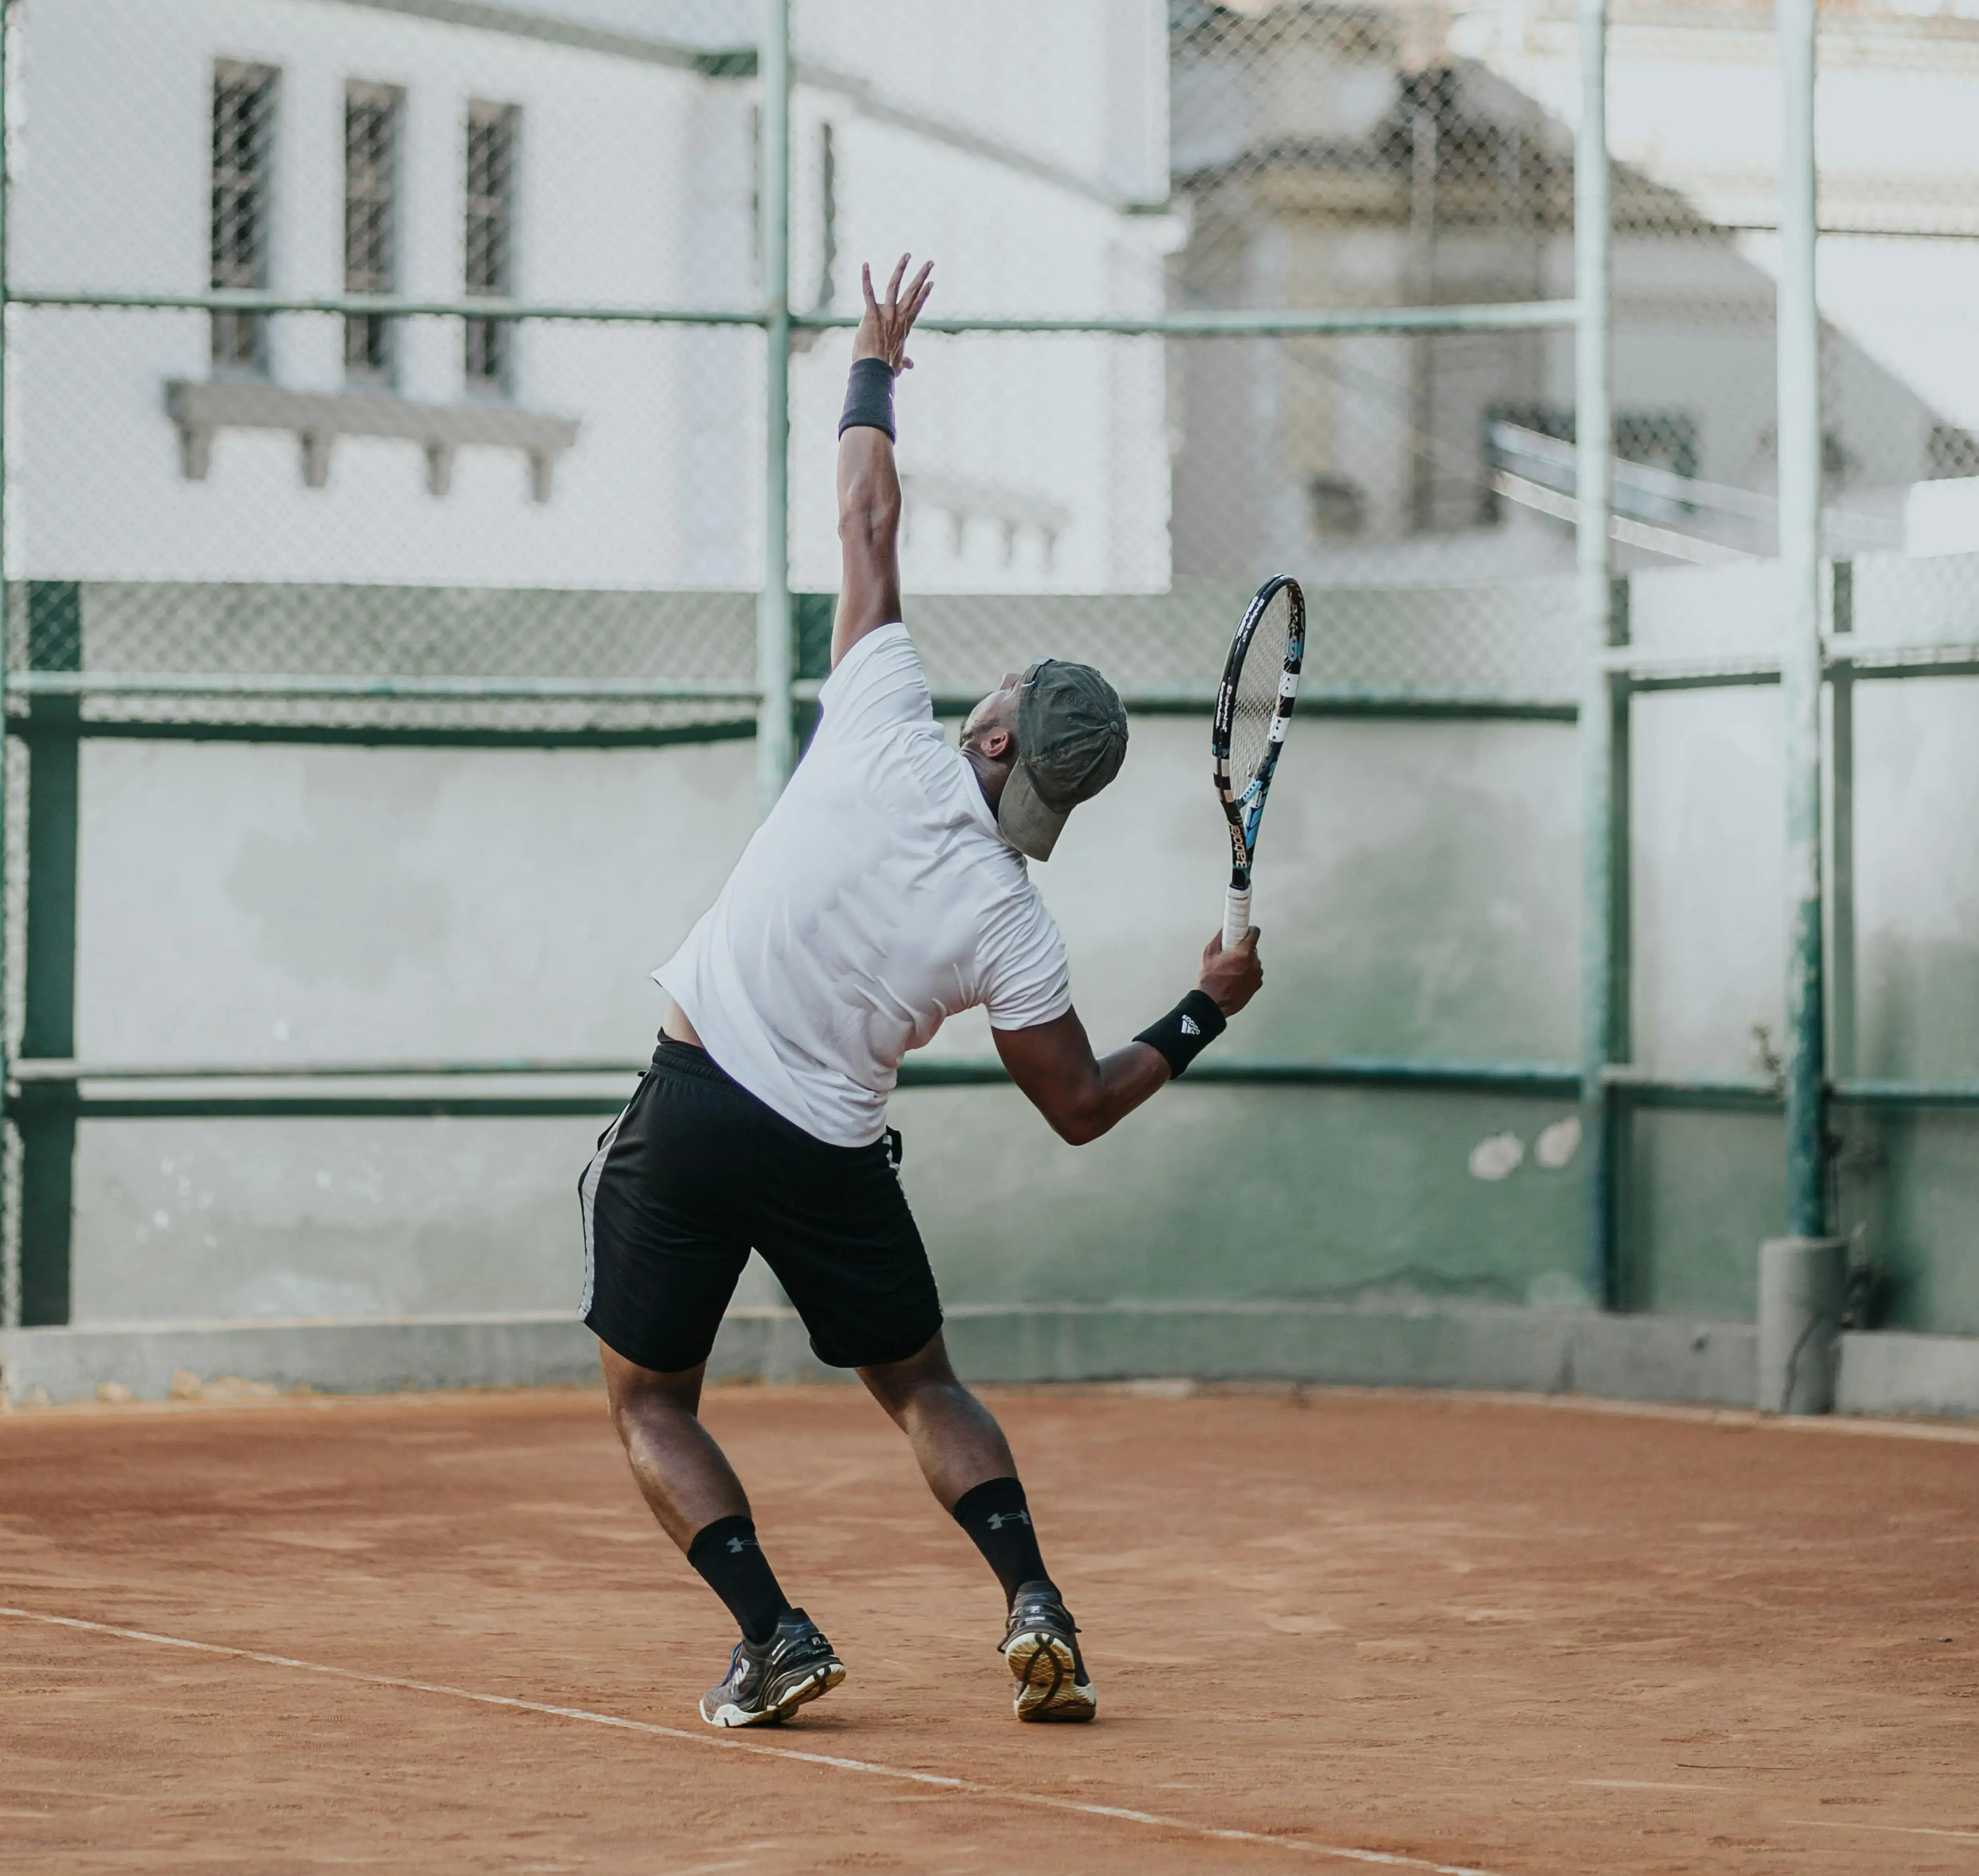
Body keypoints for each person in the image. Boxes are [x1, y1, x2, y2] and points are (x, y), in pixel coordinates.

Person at [579, 254, 1263, 1730]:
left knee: (648, 1401)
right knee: (922, 1386)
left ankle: (775, 1636)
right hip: (828, 1152)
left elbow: (867, 512)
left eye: (1002, 704)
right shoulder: (1016, 924)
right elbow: (1078, 1106)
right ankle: (1035, 1602)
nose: (987, 703)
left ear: (1001, 742)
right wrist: (1204, 1008)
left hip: (695, 1107)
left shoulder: (884, 717)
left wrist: (873, 366)